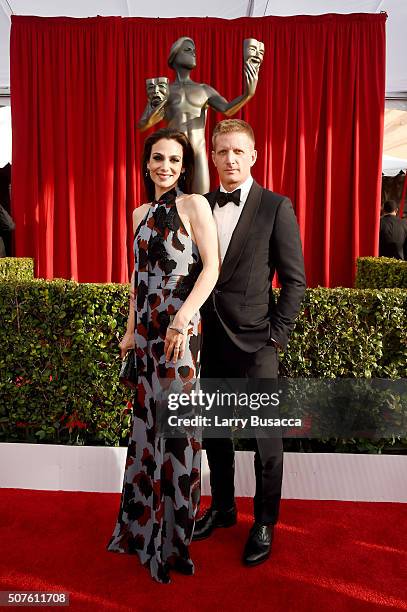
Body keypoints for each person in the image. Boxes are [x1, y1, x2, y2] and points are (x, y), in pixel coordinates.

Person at [107, 128, 219, 584]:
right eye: (158, 158)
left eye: (174, 160)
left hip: (179, 334)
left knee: (176, 434)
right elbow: (135, 278)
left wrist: (182, 319)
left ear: (184, 165)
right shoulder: (138, 212)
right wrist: (131, 331)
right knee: (145, 427)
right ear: (147, 162)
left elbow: (210, 268)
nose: (165, 167)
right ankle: (142, 528)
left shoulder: (195, 206)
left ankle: (174, 540)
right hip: (148, 337)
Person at [193, 119, 306, 567]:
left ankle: (264, 521)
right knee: (217, 435)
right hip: (211, 340)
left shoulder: (275, 207)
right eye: (223, 152)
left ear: (253, 156)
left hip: (259, 342)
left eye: (239, 151)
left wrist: (275, 336)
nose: (231, 159)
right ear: (214, 156)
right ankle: (222, 509)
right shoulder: (199, 204)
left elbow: (295, 282)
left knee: (266, 441)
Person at [138, 37, 263, 194]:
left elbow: (227, 109)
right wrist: (153, 109)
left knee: (201, 201)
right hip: (175, 155)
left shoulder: (204, 90)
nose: (193, 53)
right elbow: (143, 124)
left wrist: (248, 94)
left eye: (194, 51)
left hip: (198, 152)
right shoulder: (166, 90)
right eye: (188, 50)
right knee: (171, 204)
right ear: (174, 56)